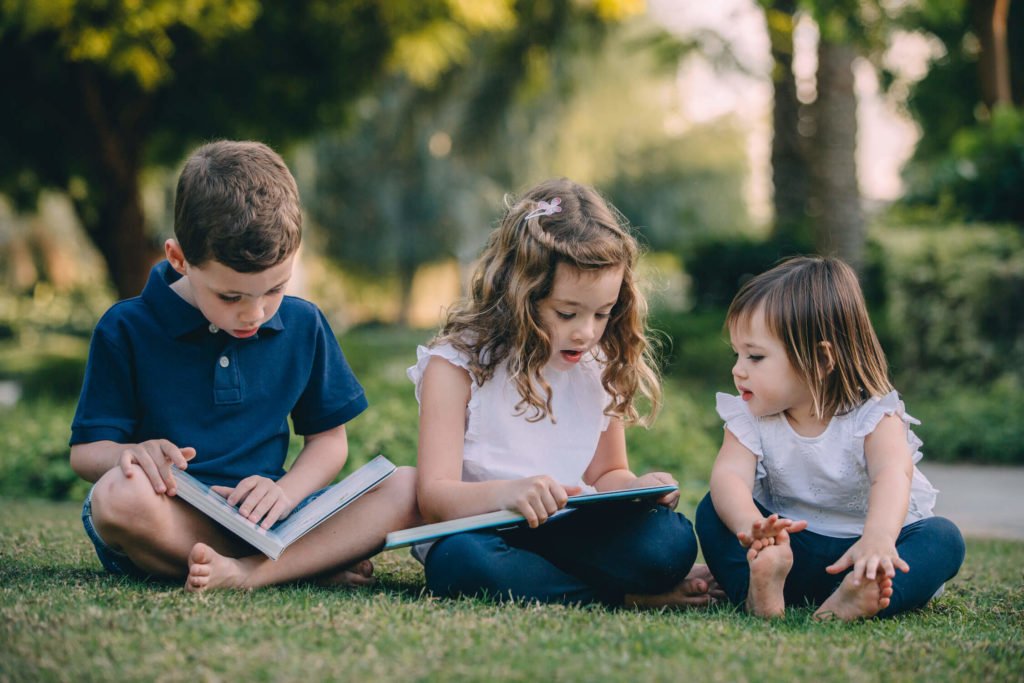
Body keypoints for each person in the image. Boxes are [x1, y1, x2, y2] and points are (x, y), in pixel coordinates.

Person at [70, 140, 419, 591]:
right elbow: (86, 453)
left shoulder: (304, 323)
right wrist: (129, 454)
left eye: (275, 289)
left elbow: (329, 442)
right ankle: (302, 566)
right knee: (116, 497)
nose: (255, 313)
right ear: (178, 258)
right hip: (172, 517)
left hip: (274, 516)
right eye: (231, 296)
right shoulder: (126, 327)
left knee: (407, 485)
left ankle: (252, 571)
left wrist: (285, 492)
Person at [409, 178, 719, 608]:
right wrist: (508, 493)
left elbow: (608, 473)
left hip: (572, 532)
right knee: (459, 563)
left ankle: (567, 584)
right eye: (567, 312)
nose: (587, 332)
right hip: (484, 530)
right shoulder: (457, 365)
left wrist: (639, 490)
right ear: (519, 293)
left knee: (670, 542)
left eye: (603, 313)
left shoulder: (598, 364)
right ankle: (622, 598)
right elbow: (434, 496)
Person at [695, 255, 965, 620]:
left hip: (864, 550)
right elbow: (729, 476)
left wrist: (879, 539)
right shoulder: (749, 418)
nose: (737, 370)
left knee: (943, 538)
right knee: (712, 510)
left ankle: (861, 596)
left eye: (755, 356)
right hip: (790, 553)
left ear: (821, 361)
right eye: (737, 354)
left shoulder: (873, 417)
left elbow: (892, 475)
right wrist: (753, 530)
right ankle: (760, 590)